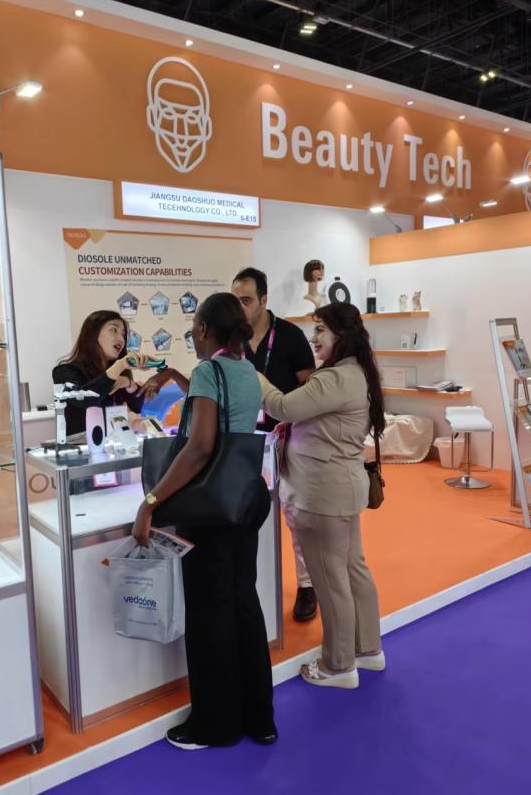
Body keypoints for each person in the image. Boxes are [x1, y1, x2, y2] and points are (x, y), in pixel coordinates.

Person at [132, 293, 276, 750]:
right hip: (245, 496)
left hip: (210, 508)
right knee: (243, 604)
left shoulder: (207, 372)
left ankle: (214, 725)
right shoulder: (246, 369)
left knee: (210, 615)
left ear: (205, 330)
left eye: (195, 325)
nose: (193, 333)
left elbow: (198, 447)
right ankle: (259, 717)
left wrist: (150, 502)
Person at [258, 302, 385, 689]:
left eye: (320, 330)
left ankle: (338, 665)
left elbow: (282, 407)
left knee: (330, 581)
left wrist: (255, 376)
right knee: (352, 570)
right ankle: (367, 649)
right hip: (341, 488)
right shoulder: (356, 372)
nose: (313, 338)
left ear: (341, 334)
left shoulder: (334, 378)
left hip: (322, 494)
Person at [231, 267, 318, 622]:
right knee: (246, 513)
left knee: (295, 516)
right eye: (235, 300)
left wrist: (290, 415)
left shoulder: (291, 336)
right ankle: (254, 586)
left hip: (290, 435)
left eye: (246, 300)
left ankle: (308, 585)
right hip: (245, 439)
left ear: (264, 300)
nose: (240, 307)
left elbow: (310, 387)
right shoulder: (232, 338)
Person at [52, 310, 144, 436]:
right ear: (93, 334)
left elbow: (139, 407)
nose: (121, 339)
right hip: (80, 446)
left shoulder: (117, 373)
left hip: (114, 445)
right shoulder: (64, 372)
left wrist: (128, 383)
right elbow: (87, 400)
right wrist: (120, 365)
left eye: (123, 334)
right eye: (114, 330)